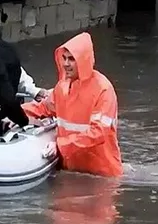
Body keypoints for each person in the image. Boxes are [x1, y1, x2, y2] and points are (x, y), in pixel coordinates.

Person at [22, 32, 123, 177]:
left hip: (101, 173)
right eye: (64, 58)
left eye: (71, 59)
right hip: (72, 169)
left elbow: (98, 132)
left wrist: (60, 145)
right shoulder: (63, 86)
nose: (65, 64)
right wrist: (13, 113)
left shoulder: (103, 89)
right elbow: (43, 108)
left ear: (83, 60)